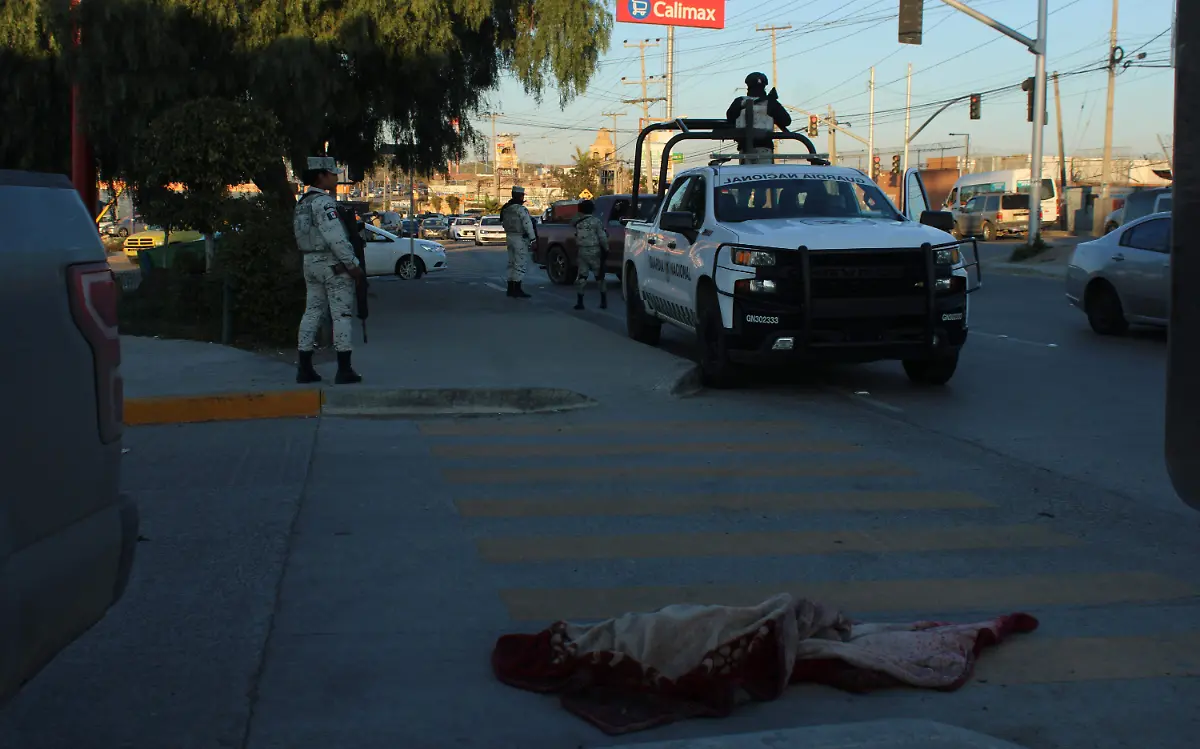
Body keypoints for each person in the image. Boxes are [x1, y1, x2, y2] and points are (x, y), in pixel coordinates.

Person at [293, 156, 364, 385]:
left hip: (310, 262)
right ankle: (344, 369)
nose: (336, 177)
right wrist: (352, 265)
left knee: (312, 312)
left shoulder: (302, 203)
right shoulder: (324, 203)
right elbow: (336, 238)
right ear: (320, 176)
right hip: (332, 265)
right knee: (341, 314)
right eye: (332, 174)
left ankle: (304, 368)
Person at [726, 72, 792, 164]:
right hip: (765, 149)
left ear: (748, 86)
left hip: (744, 150)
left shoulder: (739, 101)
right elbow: (786, 121)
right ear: (764, 86)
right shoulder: (771, 102)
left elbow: (730, 118)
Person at [571, 199, 609, 310]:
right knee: (599, 276)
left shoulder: (578, 222)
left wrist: (578, 213)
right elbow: (602, 237)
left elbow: (572, 223)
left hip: (582, 251)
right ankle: (603, 301)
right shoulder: (596, 221)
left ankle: (580, 302)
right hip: (594, 251)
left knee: (582, 276)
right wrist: (606, 249)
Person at [500, 185, 537, 298]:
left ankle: (510, 288)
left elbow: (502, 222)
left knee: (511, 263)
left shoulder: (506, 209)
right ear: (520, 196)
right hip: (520, 238)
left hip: (509, 237)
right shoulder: (520, 209)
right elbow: (527, 224)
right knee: (520, 263)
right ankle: (517, 288)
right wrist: (533, 239)